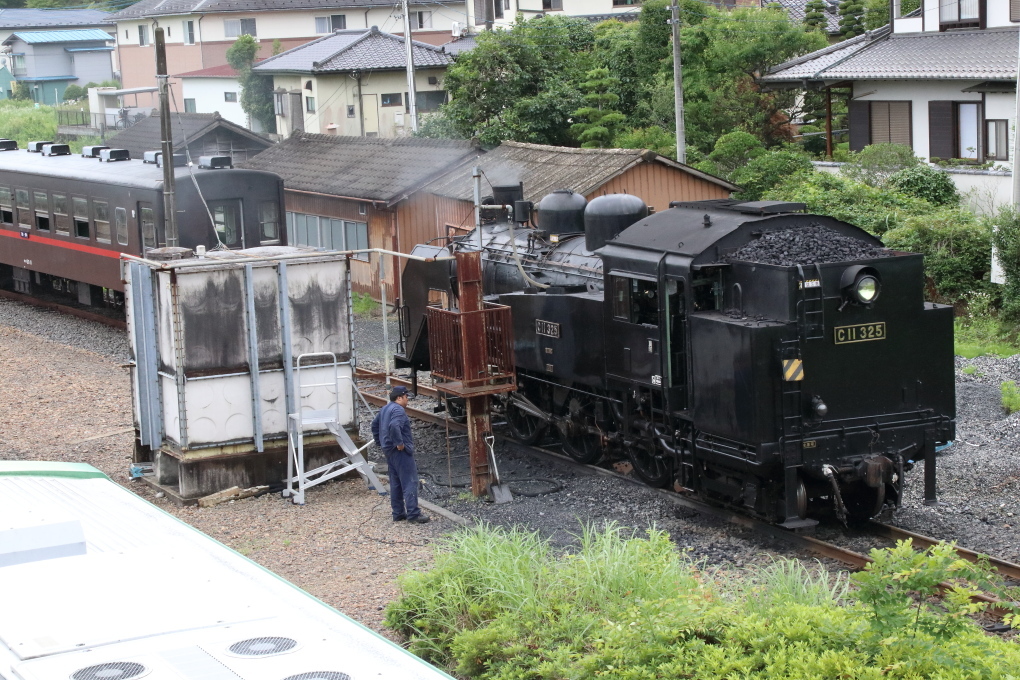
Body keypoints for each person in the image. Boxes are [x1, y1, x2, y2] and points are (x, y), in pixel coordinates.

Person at [371, 385, 429, 524]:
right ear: (399, 398)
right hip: (400, 451)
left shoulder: (385, 408)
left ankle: (398, 513)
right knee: (410, 481)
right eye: (406, 397)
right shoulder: (398, 410)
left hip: (389, 450)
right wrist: (400, 443)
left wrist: (380, 442)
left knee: (395, 482)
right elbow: (394, 426)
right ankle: (413, 514)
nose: (407, 399)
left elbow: (374, 425)